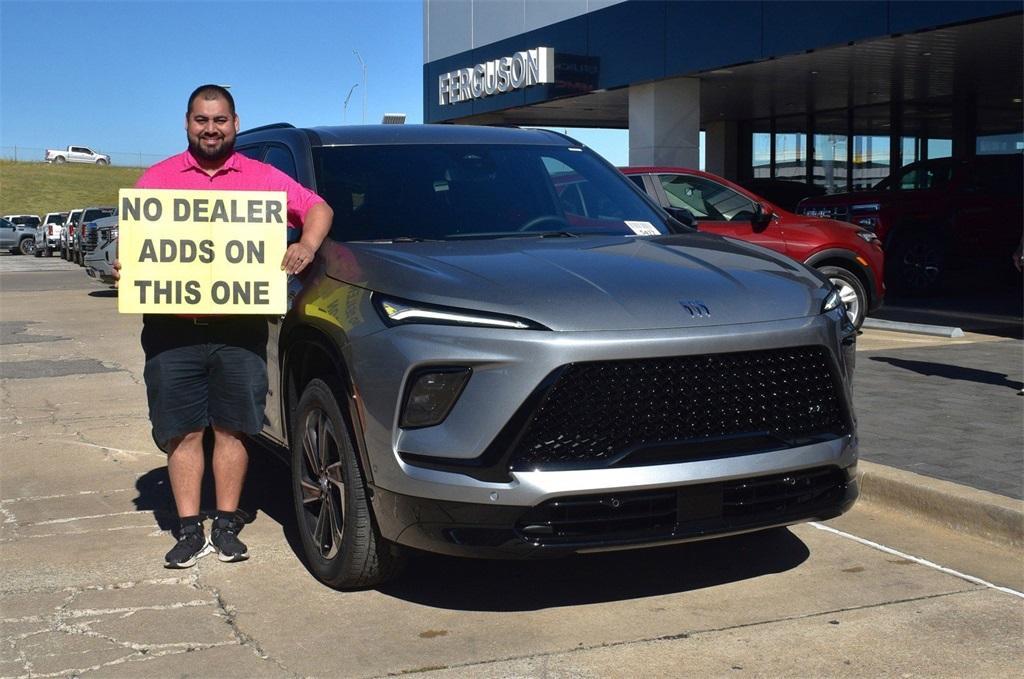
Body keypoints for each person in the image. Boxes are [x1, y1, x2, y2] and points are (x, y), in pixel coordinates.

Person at [114, 84, 333, 568]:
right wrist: (125, 266)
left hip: (241, 328)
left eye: (219, 120)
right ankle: (190, 529)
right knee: (183, 432)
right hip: (174, 330)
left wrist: (308, 246)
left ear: (234, 123)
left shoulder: (263, 178)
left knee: (234, 430)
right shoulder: (158, 181)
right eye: (200, 120)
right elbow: (131, 246)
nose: (210, 129)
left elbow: (318, 208)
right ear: (187, 123)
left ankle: (227, 523)